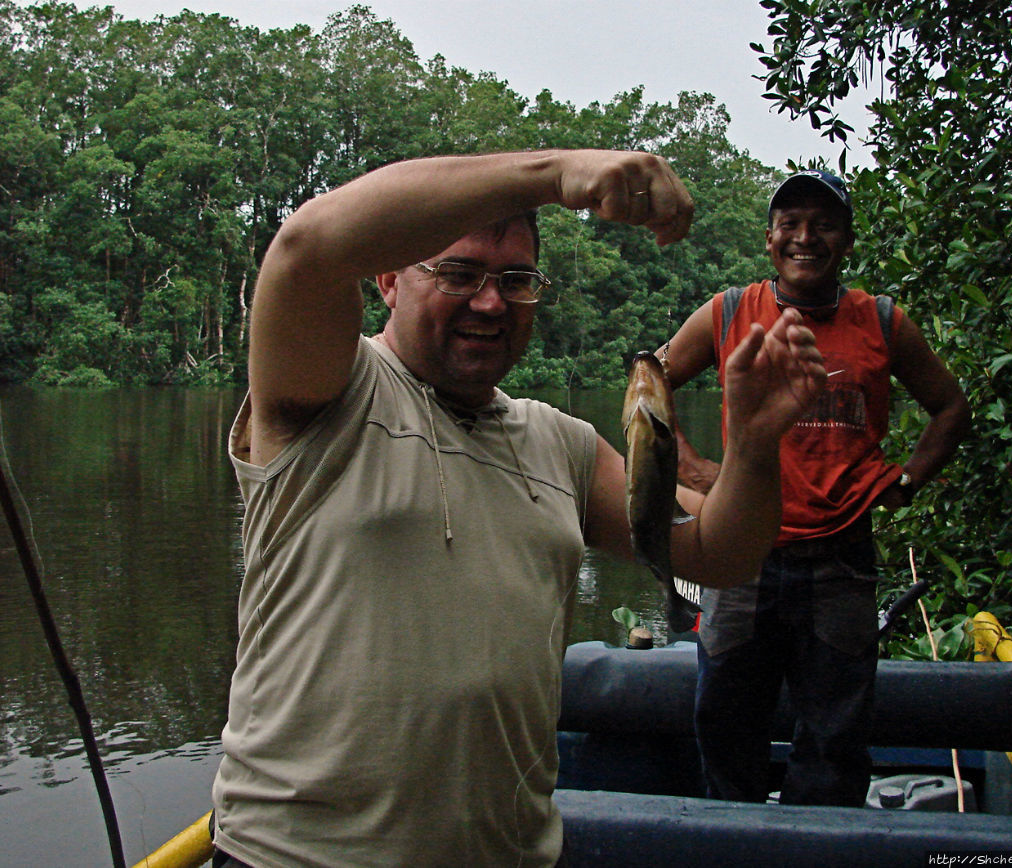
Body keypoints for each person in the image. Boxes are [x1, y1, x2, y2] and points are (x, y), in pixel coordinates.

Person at [212, 150, 827, 867]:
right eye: (458, 273)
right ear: (386, 276)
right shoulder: (330, 391)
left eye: (516, 280)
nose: (490, 302)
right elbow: (306, 248)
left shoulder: (559, 444)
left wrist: (753, 447)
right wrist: (556, 176)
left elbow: (719, 553)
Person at [658, 169, 971, 808]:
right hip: (739, 556)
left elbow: (950, 408)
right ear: (770, 239)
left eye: (824, 224)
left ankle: (821, 844)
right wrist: (691, 470)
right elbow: (649, 381)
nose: (806, 237)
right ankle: (731, 841)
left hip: (841, 561)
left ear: (846, 241)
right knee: (723, 721)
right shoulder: (728, 312)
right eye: (791, 224)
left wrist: (905, 482)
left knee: (835, 736)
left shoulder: (881, 321)